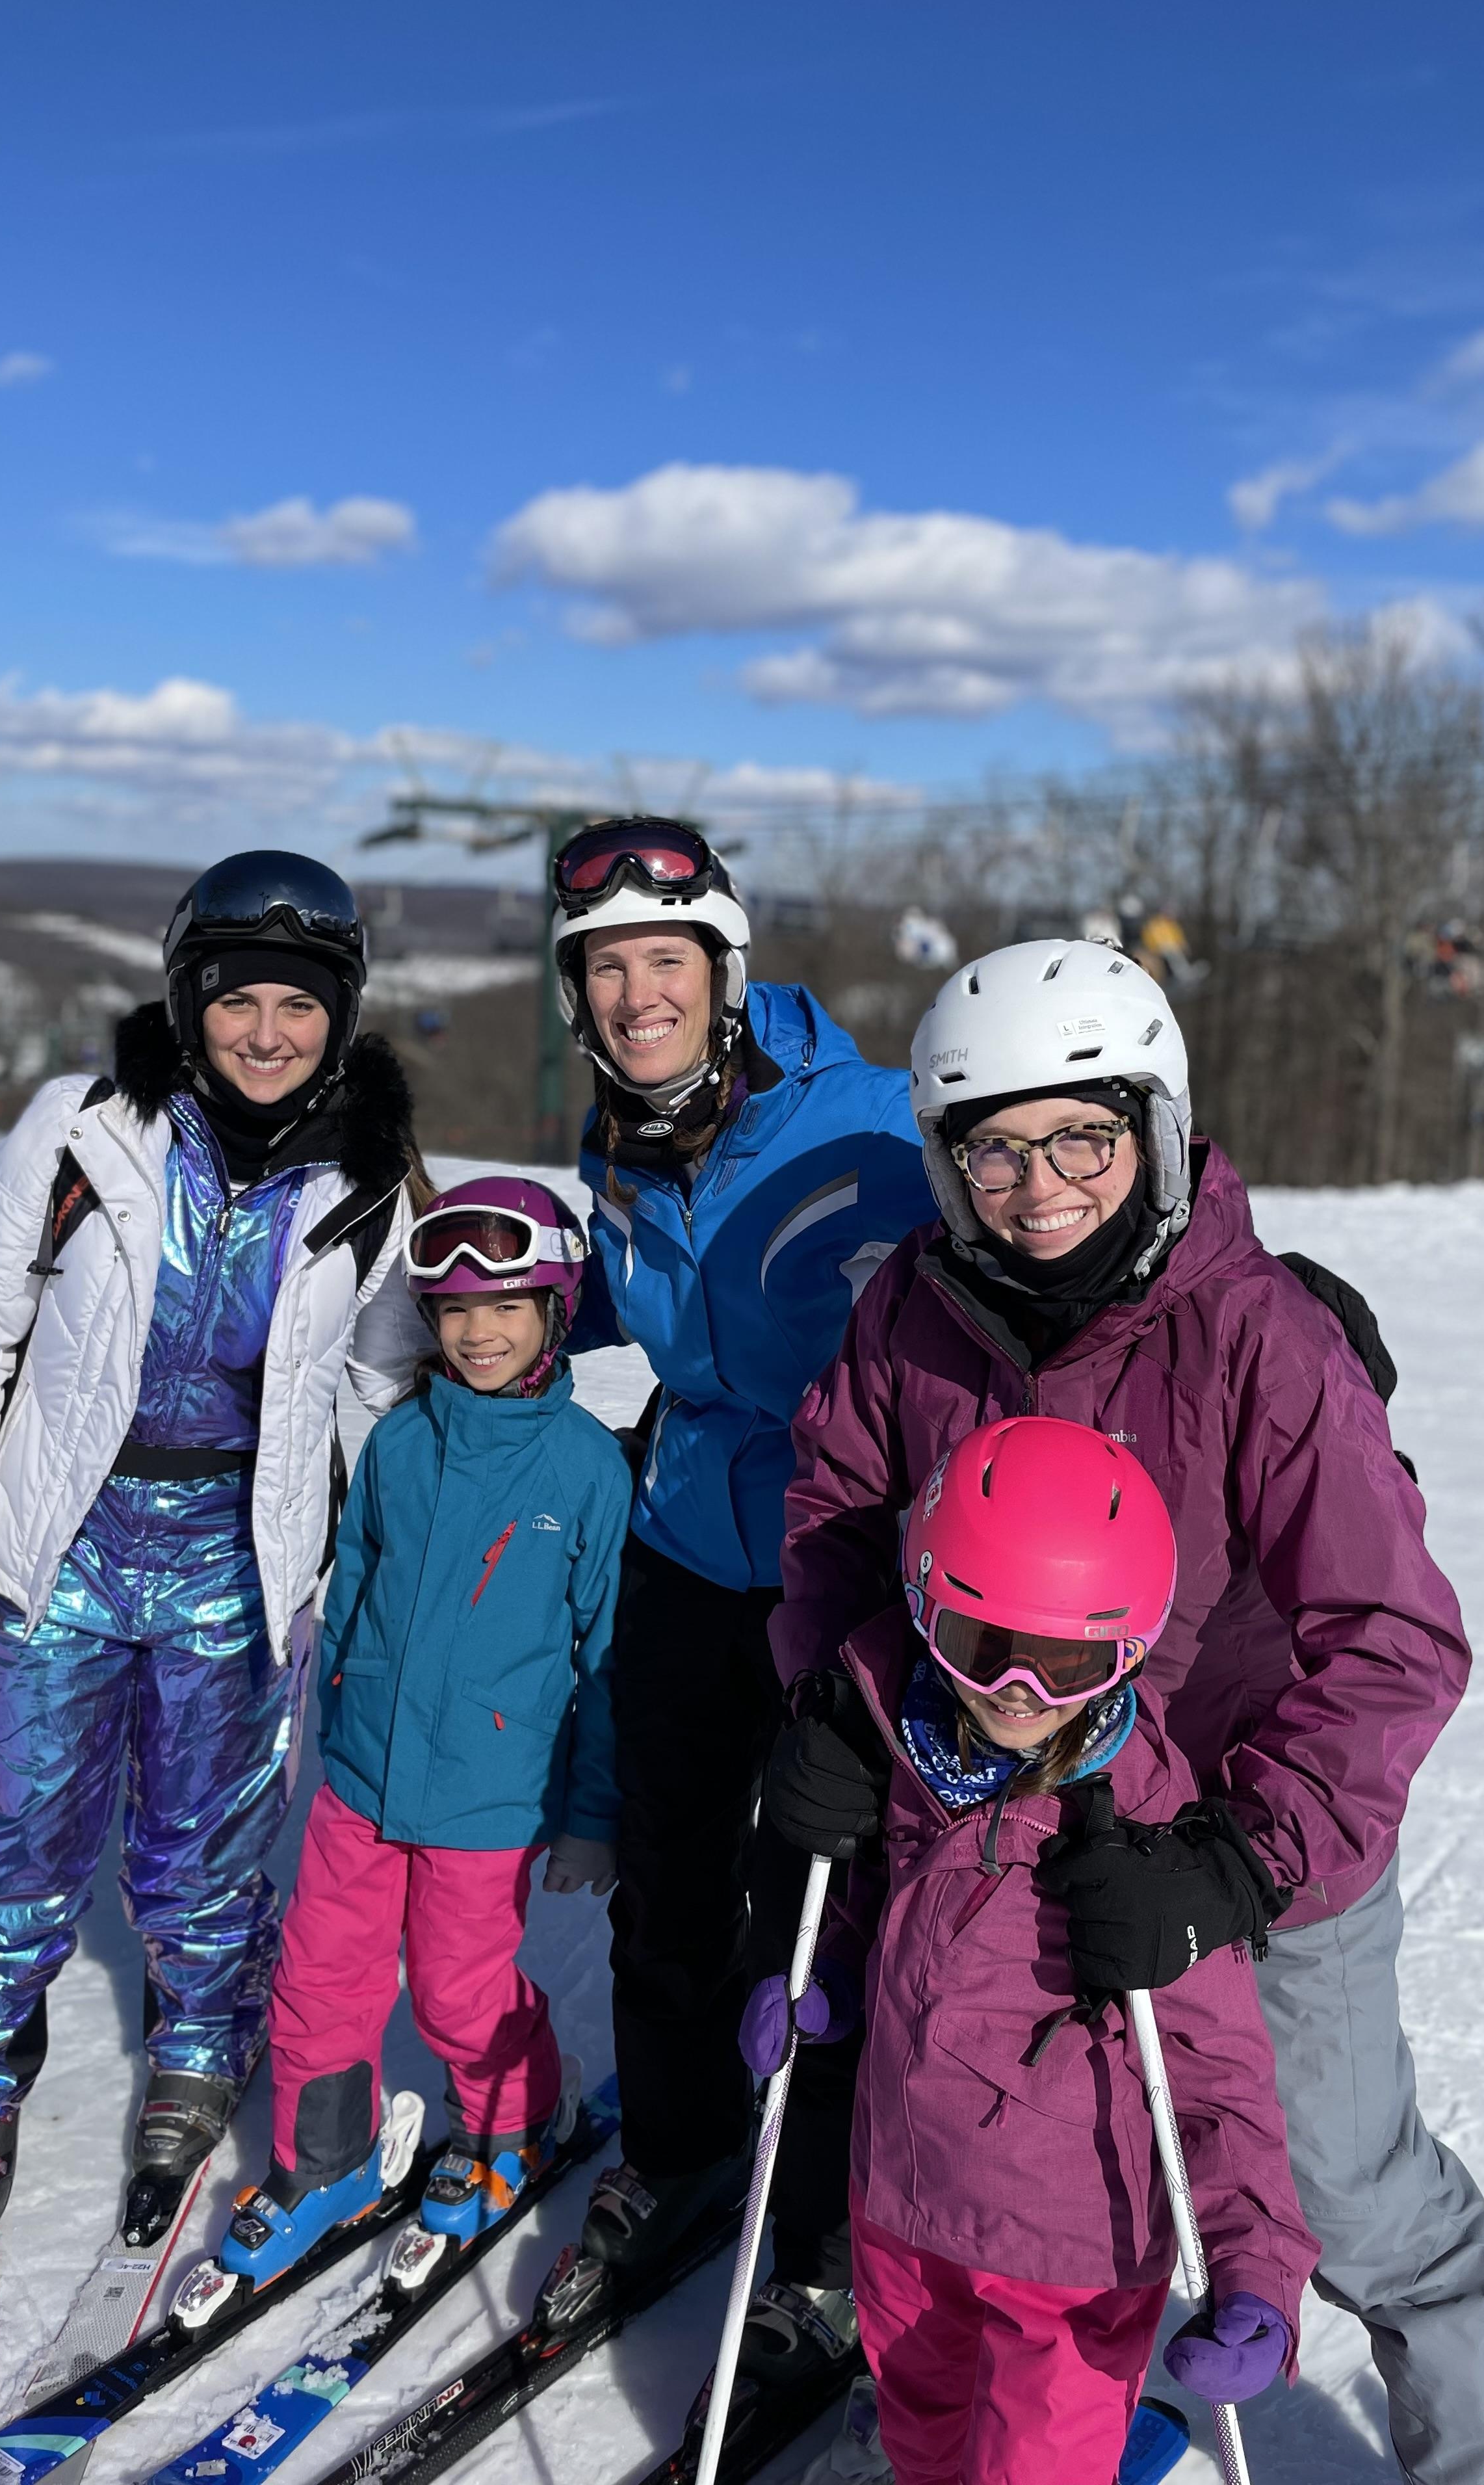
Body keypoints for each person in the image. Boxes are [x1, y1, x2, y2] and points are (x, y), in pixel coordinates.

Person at [770, 935, 1484, 2485]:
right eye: (993, 1149)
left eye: (1084, 1135)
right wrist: (839, 1710)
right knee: (1006, 2158)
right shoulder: (914, 1320)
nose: (1041, 1185)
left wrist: (1237, 1861)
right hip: (999, 1814)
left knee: (1338, 2191)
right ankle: (1011, 2401)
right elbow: (837, 1520)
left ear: (1155, 1126)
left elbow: (1393, 1642)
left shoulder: (1259, 1334)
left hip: (1249, 1832)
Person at [0, 851, 426, 2294]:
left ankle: (195, 2051)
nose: (266, 1031)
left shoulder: (368, 1182)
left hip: (234, 1567)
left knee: (206, 1844)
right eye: (236, 999)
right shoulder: (84, 1129)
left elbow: (393, 1377)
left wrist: (391, 1554)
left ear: (342, 1014)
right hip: (60, 1539)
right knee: (9, 1834)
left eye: (298, 1007)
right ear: (187, 1002)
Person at [748, 1415, 1318, 2485]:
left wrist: (1256, 2277)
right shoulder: (902, 1747)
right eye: (980, 1644)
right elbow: (878, 1915)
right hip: (903, 2213)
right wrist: (817, 1985)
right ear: (924, 1611)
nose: (1018, 1689)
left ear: (1129, 1645)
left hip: (1072, 2260)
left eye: (1065, 1662)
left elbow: (1219, 2078)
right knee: (921, 2445)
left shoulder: (1146, 1836)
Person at [549, 815, 935, 2384]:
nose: (638, 995)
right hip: (686, 1546)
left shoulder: (870, 1132)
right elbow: (627, 1307)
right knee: (667, 1878)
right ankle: (688, 2140)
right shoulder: (617, 1139)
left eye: (664, 960)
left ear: (724, 968)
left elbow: (1003, 1298)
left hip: (838, 1568)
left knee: (819, 1915)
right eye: (605, 969)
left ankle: (837, 2246)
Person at [217, 1176, 627, 2283]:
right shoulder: (401, 1444)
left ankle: (516, 2120)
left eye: (506, 1306)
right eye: (452, 1309)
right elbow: (352, 1590)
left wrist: (593, 1816)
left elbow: (607, 1658)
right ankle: (326, 2159)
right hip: (362, 1782)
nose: (478, 1331)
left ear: (554, 1308)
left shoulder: (587, 1469)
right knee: (318, 1973)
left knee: (458, 1988)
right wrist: (333, 1721)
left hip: (490, 1794)